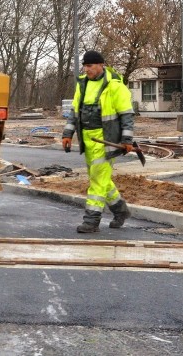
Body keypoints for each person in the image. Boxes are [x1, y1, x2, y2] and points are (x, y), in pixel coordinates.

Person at [62, 50, 134, 233]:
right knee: (100, 178)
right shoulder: (82, 84)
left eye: (90, 66)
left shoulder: (115, 86)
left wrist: (127, 139)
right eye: (85, 66)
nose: (87, 69)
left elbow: (126, 115)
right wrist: (67, 134)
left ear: (101, 65)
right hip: (87, 139)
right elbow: (74, 112)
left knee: (98, 181)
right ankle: (121, 211)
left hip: (106, 141)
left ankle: (91, 220)